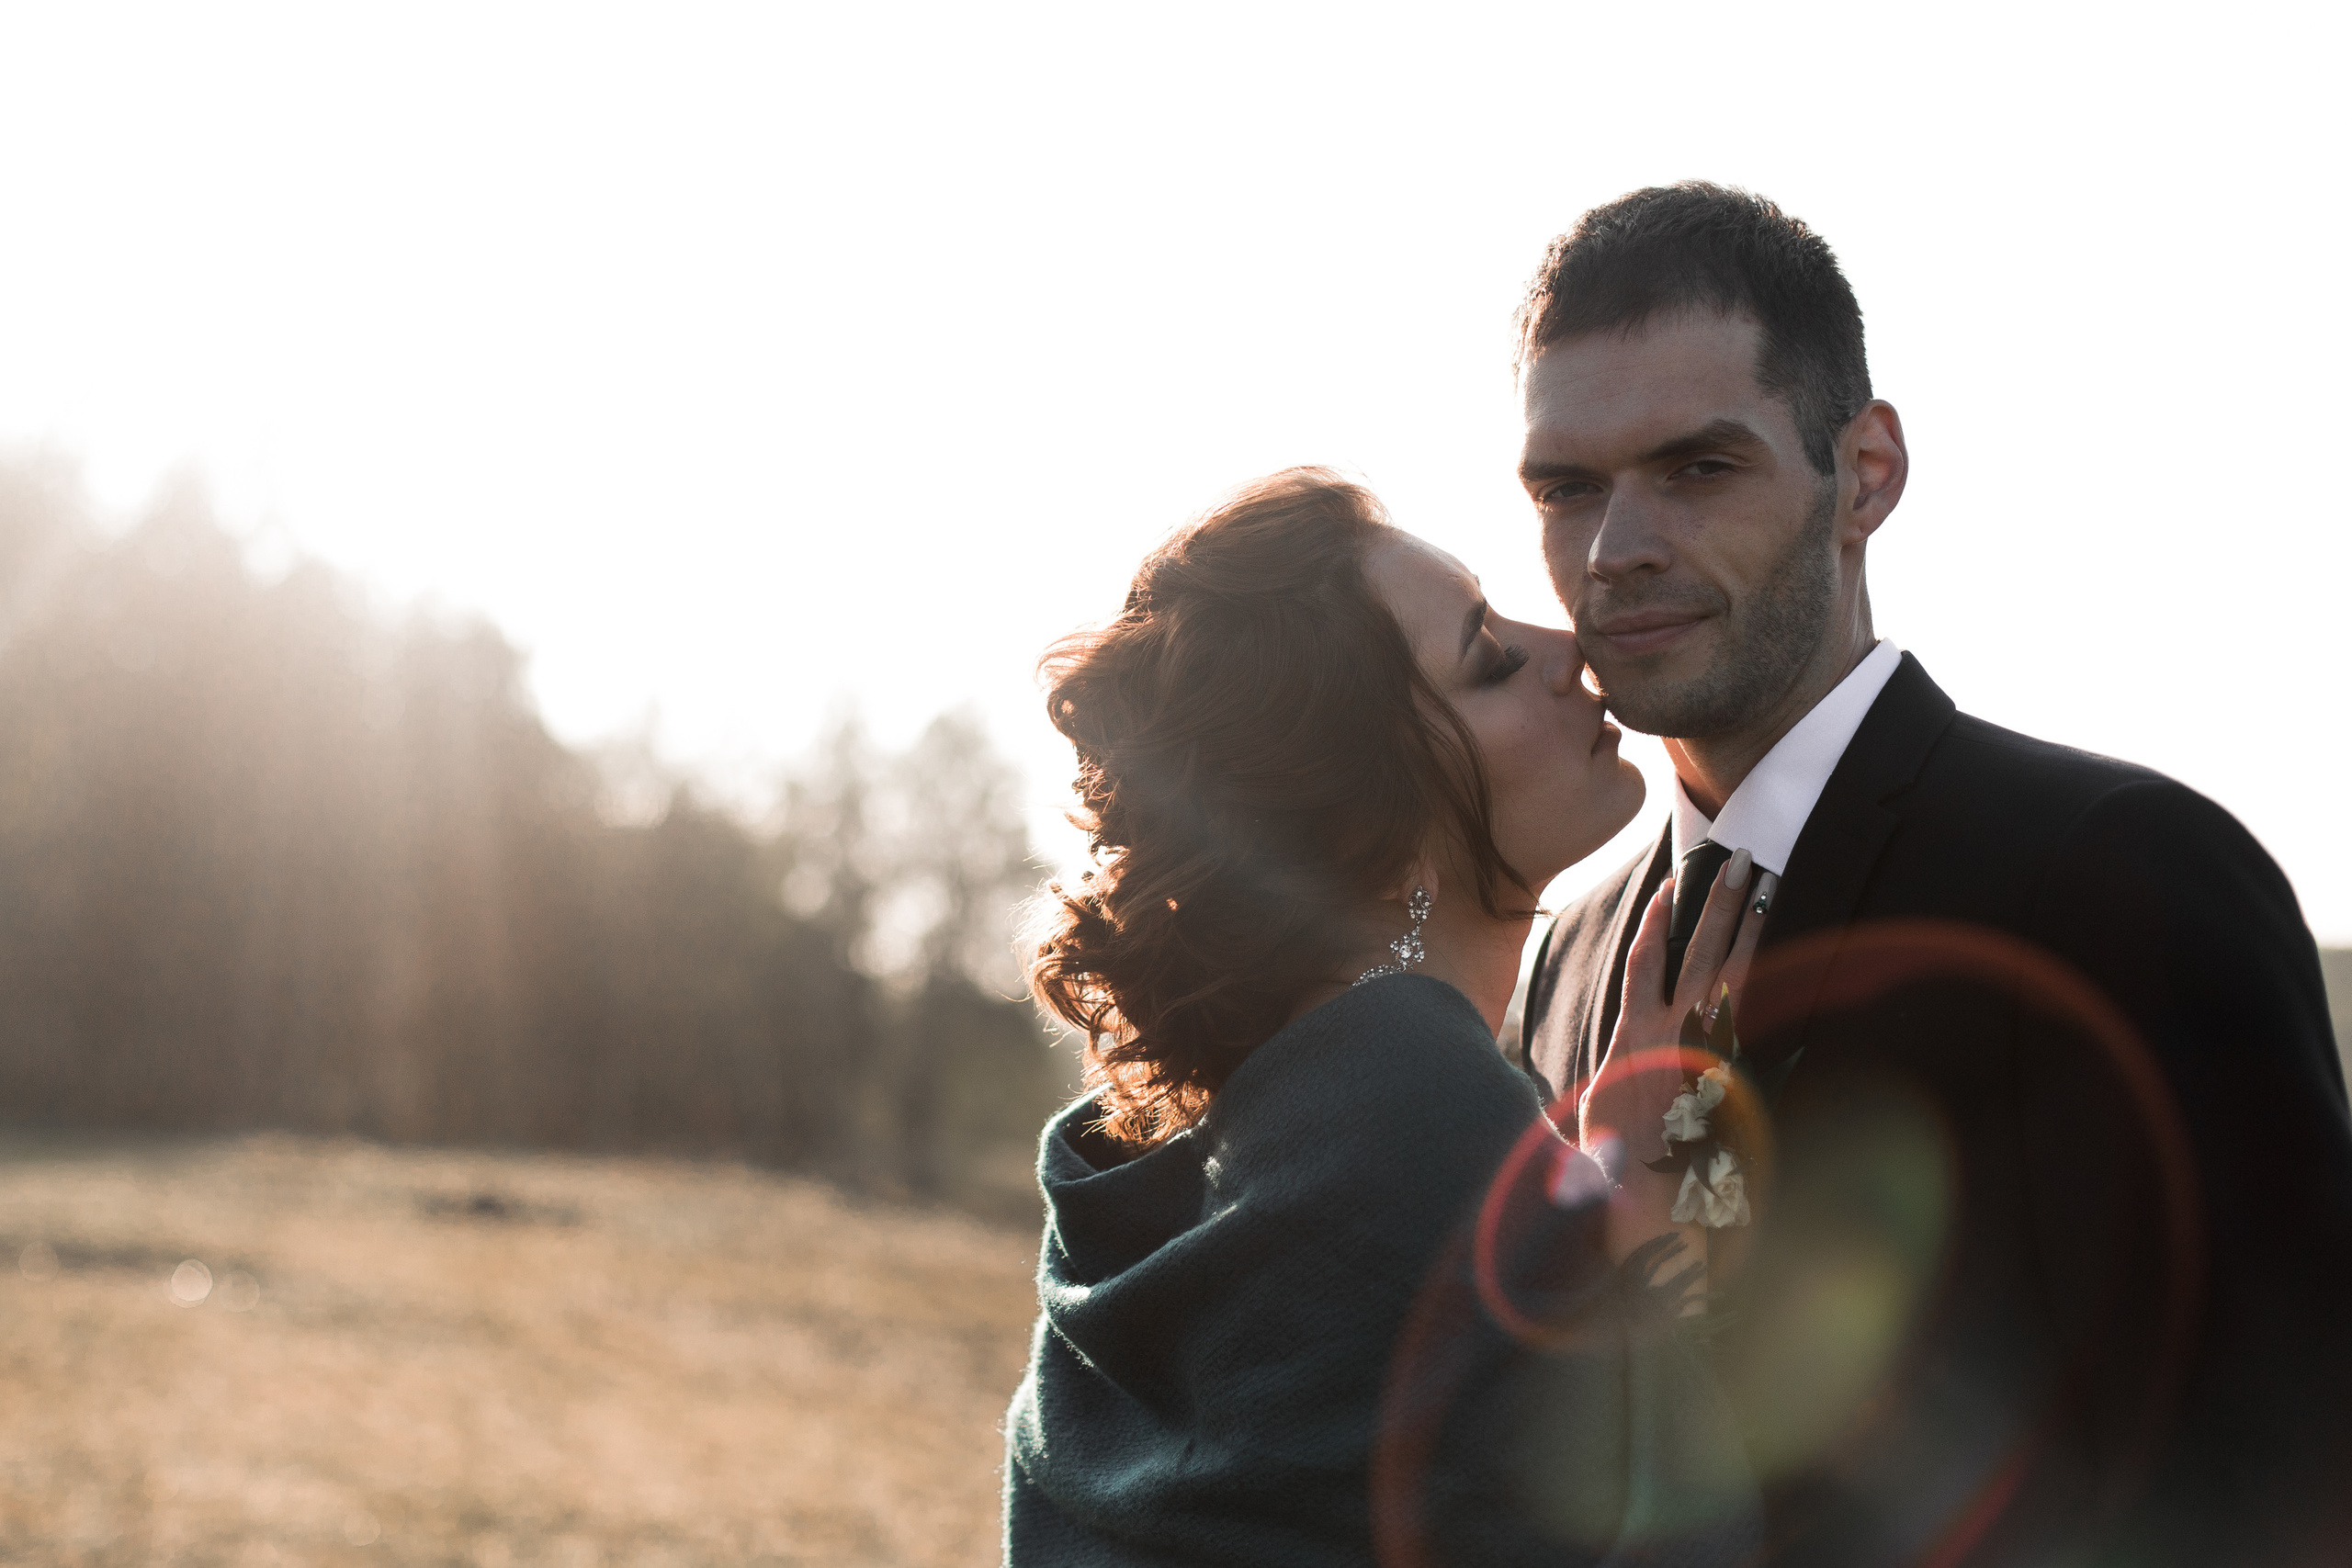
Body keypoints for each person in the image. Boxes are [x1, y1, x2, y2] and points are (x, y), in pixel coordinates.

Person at [1514, 183, 2352, 1565]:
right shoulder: (1567, 948)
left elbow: (2295, 1451)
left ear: (1868, 474)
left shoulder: (2122, 870)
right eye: (1568, 488)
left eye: (1699, 468)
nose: (1619, 548)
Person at [1004, 468, 1761, 1565]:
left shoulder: (1148, 1190)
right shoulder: (1414, 1108)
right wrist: (1631, 1246)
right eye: (1492, 662)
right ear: (1378, 826)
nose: (1570, 652)